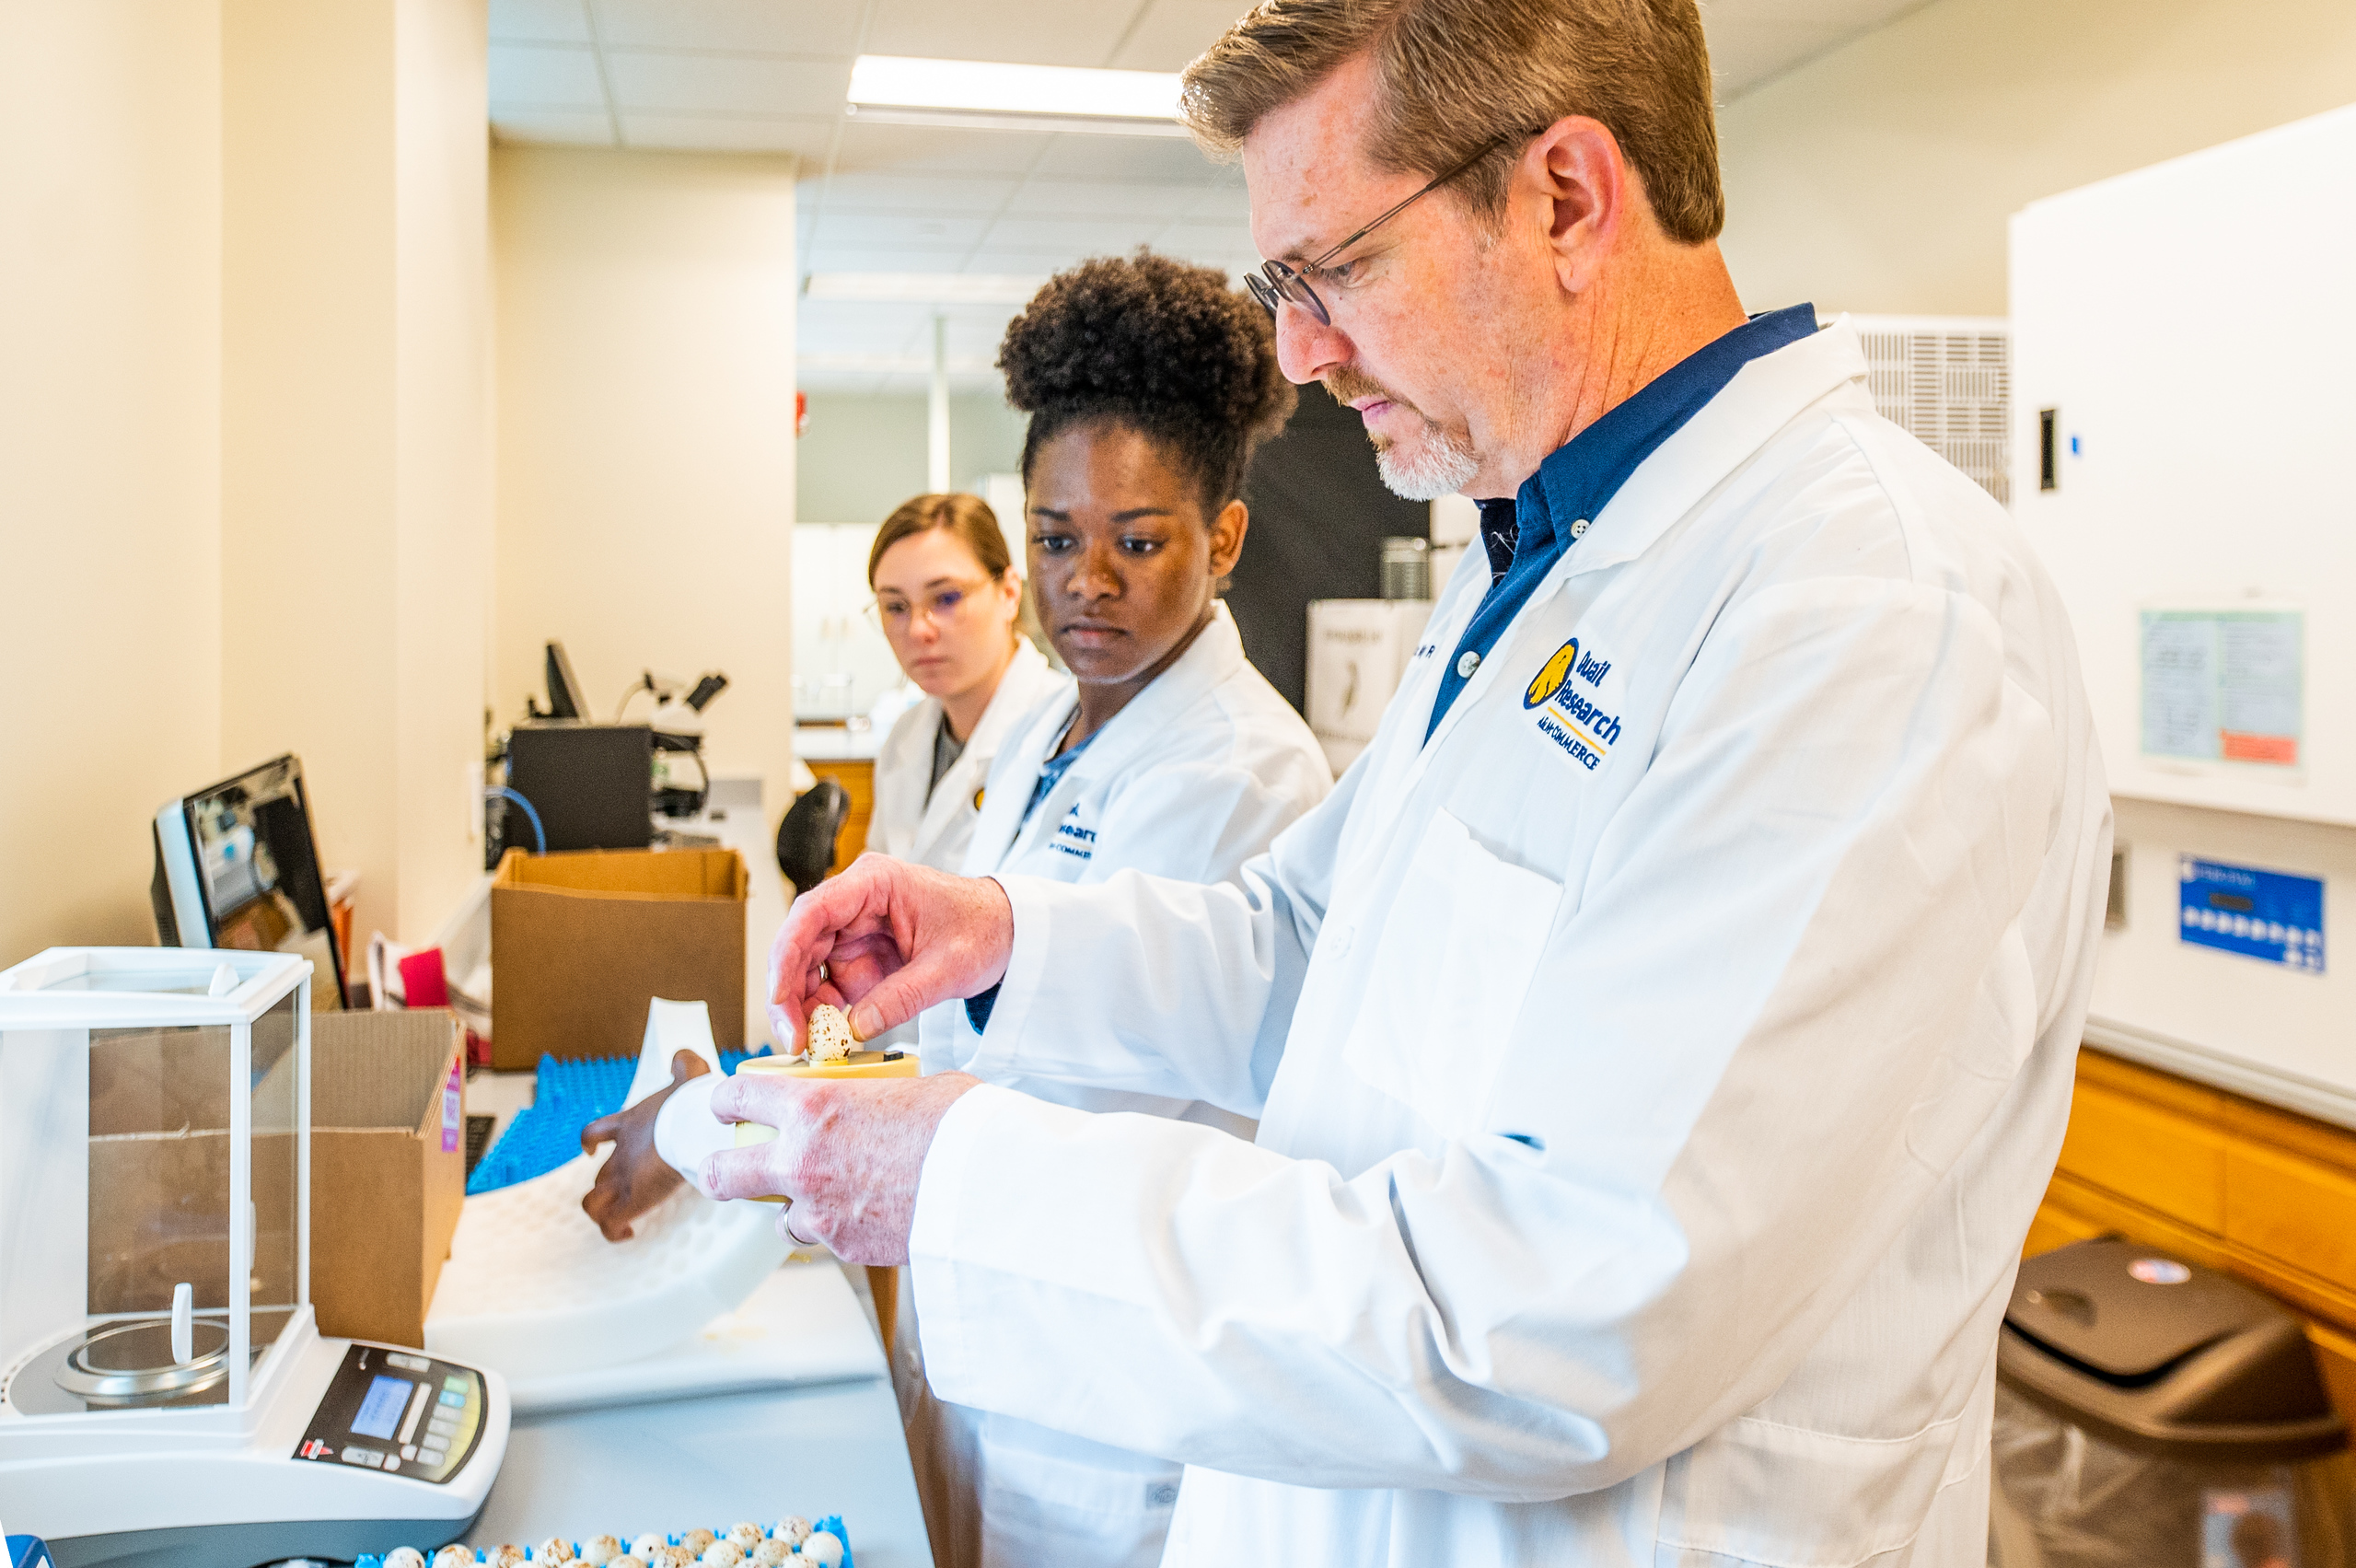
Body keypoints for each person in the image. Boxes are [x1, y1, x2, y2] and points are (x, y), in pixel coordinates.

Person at [715, 2, 2115, 1562]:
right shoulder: (1540, 557)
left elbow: (1571, 1309)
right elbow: (1319, 955)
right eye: (1280, 287)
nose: (1299, 355)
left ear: (1565, 199)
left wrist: (961, 1182)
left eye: (1335, 270)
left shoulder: (1862, 610)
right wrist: (1009, 937)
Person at [591, 251, 1333, 1568]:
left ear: (1221, 537)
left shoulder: (1242, 769)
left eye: (1138, 541)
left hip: (1097, 1398)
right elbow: (977, 1004)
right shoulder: (1043, 713)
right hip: (975, 1322)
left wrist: (707, 1114)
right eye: (1055, 539)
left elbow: (1046, 1077)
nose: (1085, 581)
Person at [865, 492, 1064, 879]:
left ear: (1008, 593)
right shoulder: (904, 739)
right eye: (895, 607)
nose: (918, 629)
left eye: (946, 598)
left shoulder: (1065, 735)